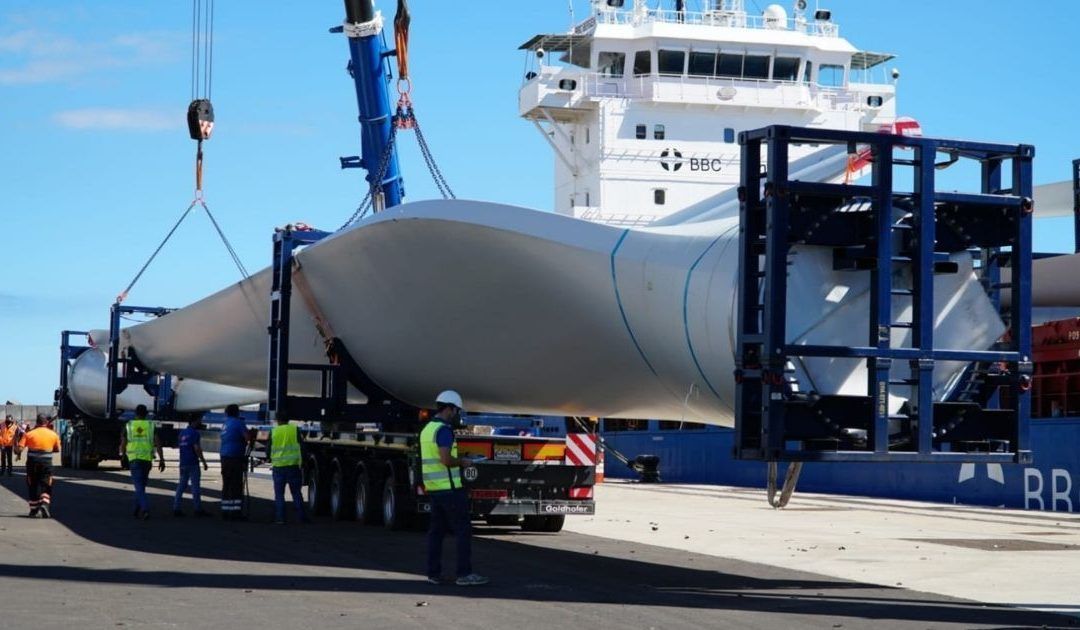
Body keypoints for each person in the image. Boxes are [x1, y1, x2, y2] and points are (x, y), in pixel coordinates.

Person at [422, 390, 488, 586]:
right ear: (449, 408)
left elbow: (434, 457)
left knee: (436, 533)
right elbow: (445, 459)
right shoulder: (444, 430)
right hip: (450, 489)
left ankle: (433, 574)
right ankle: (464, 574)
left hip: (434, 489)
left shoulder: (427, 429)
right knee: (462, 531)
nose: (456, 414)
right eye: (456, 410)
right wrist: (464, 462)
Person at [119, 404, 165, 520]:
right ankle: (136, 509)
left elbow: (123, 443)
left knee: (139, 486)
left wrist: (122, 455)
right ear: (146, 414)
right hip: (147, 460)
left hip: (134, 459)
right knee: (141, 486)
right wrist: (161, 459)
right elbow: (158, 443)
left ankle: (145, 509)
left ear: (135, 414)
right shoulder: (150, 425)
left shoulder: (129, 425)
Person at [268, 415, 309, 524]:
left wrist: (269, 458)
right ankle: (301, 518)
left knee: (279, 495)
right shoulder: (294, 429)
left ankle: (280, 518)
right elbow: (302, 447)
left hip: (278, 467)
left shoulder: (274, 431)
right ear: (288, 420)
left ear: (278, 421)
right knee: (296, 493)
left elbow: (268, 450)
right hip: (293, 466)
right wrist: (304, 461)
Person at [20, 414, 60, 518]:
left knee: (32, 484)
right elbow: (57, 449)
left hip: (32, 463)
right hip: (46, 463)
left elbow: (18, 450)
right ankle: (44, 504)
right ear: (46, 423)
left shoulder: (29, 434)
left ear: (36, 422)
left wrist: (16, 439)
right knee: (46, 484)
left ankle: (33, 510)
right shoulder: (53, 434)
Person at [173, 417, 211, 517]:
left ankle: (176, 507)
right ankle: (197, 509)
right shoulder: (195, 433)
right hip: (193, 463)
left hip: (183, 462)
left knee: (181, 486)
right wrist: (203, 461)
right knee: (195, 487)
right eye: (198, 421)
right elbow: (197, 448)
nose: (200, 422)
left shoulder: (182, 433)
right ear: (194, 422)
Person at [219, 404, 249, 520]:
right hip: (235, 457)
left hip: (224, 456)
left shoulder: (225, 424)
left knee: (226, 484)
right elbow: (247, 437)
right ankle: (236, 513)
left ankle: (225, 511)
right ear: (237, 412)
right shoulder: (238, 423)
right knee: (236, 485)